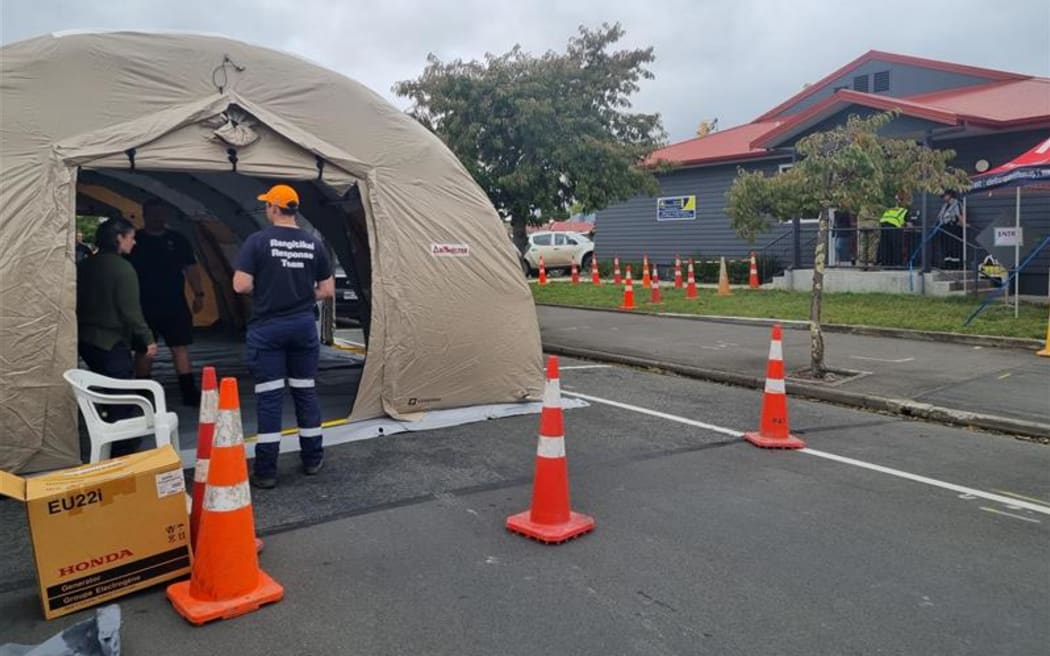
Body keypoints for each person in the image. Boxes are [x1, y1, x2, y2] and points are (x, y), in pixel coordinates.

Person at [233, 184, 335, 489]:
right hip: (303, 326)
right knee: (305, 392)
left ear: (274, 209)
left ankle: (266, 470)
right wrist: (303, 297)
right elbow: (327, 290)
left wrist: (266, 292)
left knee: (270, 397)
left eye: (267, 205)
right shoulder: (313, 244)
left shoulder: (258, 242)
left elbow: (240, 285)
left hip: (268, 330)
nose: (266, 209)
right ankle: (313, 459)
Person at [76, 218, 158, 457]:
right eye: (131, 237)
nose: (134, 242)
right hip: (110, 340)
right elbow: (130, 310)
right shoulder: (123, 269)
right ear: (119, 238)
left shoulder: (86, 266)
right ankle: (121, 451)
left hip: (86, 339)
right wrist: (148, 339)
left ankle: (103, 440)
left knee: (102, 391)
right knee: (122, 398)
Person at [128, 199, 205, 406]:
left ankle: (189, 392)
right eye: (153, 214)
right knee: (144, 349)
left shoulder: (178, 240)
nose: (157, 219)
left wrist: (199, 294)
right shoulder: (136, 240)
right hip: (143, 304)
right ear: (144, 215)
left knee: (180, 347)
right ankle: (142, 395)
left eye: (161, 214)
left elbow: (191, 268)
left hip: (174, 303)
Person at [877, 192, 910, 267]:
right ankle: (897, 263)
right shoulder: (904, 211)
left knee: (885, 245)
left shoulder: (890, 209)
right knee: (896, 246)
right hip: (894, 227)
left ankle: (885, 263)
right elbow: (908, 224)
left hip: (883, 226)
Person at [934, 190, 963, 269]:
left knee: (954, 246)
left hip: (953, 228)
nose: (943, 198)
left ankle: (956, 265)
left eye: (944, 196)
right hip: (944, 228)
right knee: (946, 247)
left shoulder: (957, 204)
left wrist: (963, 224)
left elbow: (960, 215)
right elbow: (940, 216)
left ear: (950, 195)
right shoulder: (944, 205)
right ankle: (947, 264)